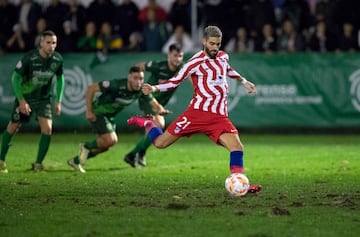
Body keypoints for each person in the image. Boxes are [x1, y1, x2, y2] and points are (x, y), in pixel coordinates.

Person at [127, 26, 261, 193]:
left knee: (237, 148)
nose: (215, 48)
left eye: (218, 44)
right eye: (211, 43)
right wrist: (154, 88)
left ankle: (241, 185)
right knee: (160, 143)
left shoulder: (223, 57)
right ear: (203, 41)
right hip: (196, 114)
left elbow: (228, 69)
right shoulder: (194, 62)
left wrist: (244, 81)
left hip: (219, 117)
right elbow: (175, 81)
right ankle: (148, 123)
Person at [67, 66, 169, 173]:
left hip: (110, 116)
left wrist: (161, 110)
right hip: (99, 112)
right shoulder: (116, 85)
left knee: (104, 146)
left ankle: (76, 161)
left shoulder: (140, 90)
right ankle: (86, 146)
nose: (138, 82)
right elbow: (91, 88)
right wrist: (89, 111)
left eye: (141, 79)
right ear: (129, 77)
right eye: (135, 78)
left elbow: (155, 104)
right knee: (111, 139)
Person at [0, 30, 65, 173]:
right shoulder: (30, 58)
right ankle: (1, 161)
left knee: (47, 129)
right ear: (41, 43)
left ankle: (38, 164)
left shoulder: (57, 60)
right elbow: (15, 78)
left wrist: (58, 100)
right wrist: (21, 100)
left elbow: (60, 79)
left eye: (54, 43)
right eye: (48, 42)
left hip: (43, 99)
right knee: (13, 127)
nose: (51, 46)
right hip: (26, 98)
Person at [124, 43, 184, 168]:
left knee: (152, 132)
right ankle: (136, 153)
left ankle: (135, 153)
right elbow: (139, 66)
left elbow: (191, 77)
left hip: (160, 103)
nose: (177, 59)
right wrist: (138, 81)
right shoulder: (158, 66)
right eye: (175, 55)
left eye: (180, 56)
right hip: (147, 99)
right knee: (159, 124)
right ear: (168, 55)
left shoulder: (181, 69)